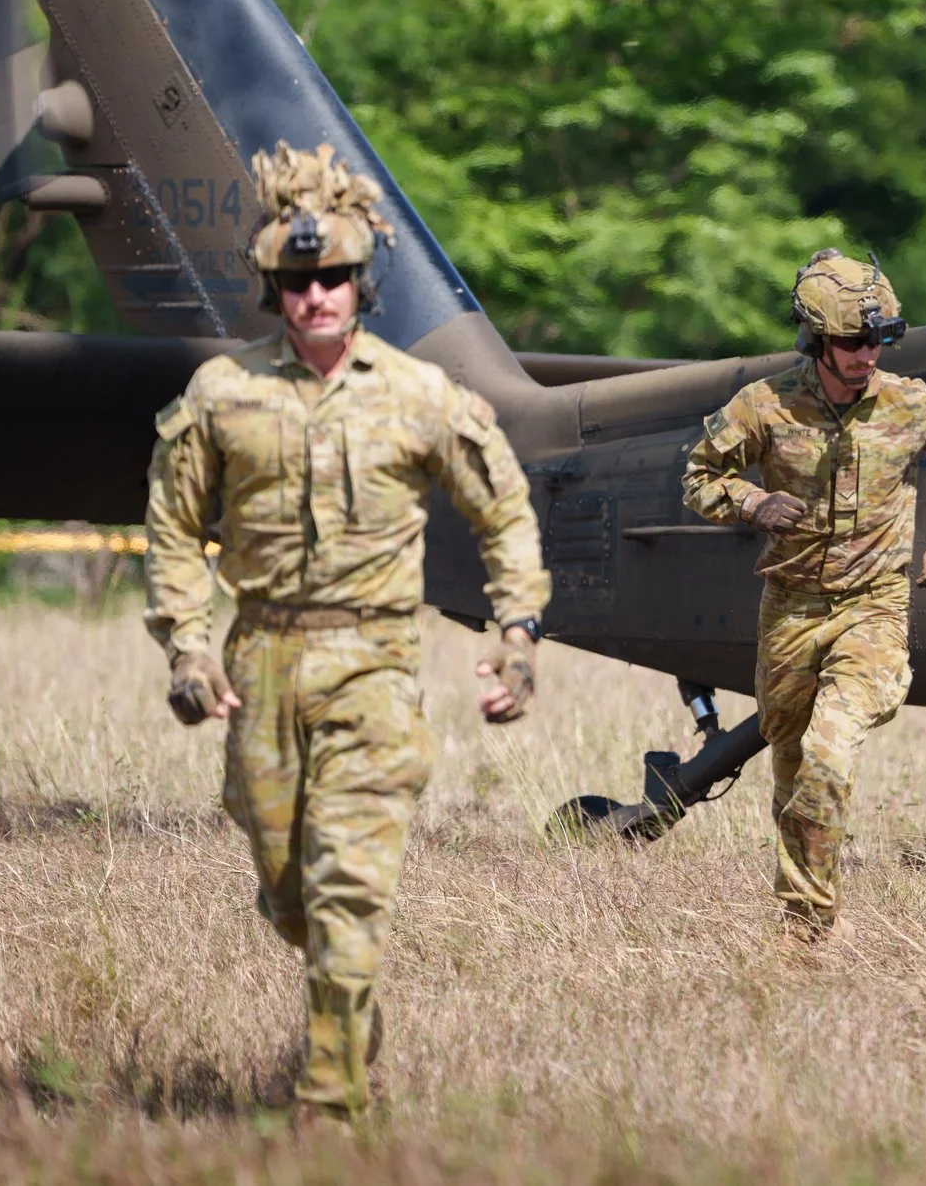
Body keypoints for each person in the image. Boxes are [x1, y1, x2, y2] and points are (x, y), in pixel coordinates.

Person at [144, 141, 549, 1119]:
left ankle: (329, 1104)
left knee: (348, 884)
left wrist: (517, 630)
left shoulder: (419, 396)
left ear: (362, 283)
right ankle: (346, 1004)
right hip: (261, 660)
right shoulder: (222, 395)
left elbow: (502, 511)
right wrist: (188, 647)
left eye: (331, 277)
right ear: (274, 289)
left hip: (374, 659)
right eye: (296, 279)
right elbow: (169, 525)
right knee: (290, 894)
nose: (315, 294)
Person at [680, 250, 926, 940]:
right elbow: (699, 475)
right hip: (790, 609)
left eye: (879, 340)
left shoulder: (912, 404)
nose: (867, 355)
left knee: (830, 751)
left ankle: (805, 927)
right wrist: (751, 500)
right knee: (792, 766)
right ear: (816, 340)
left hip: (874, 608)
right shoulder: (765, 406)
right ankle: (802, 904)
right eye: (854, 341)